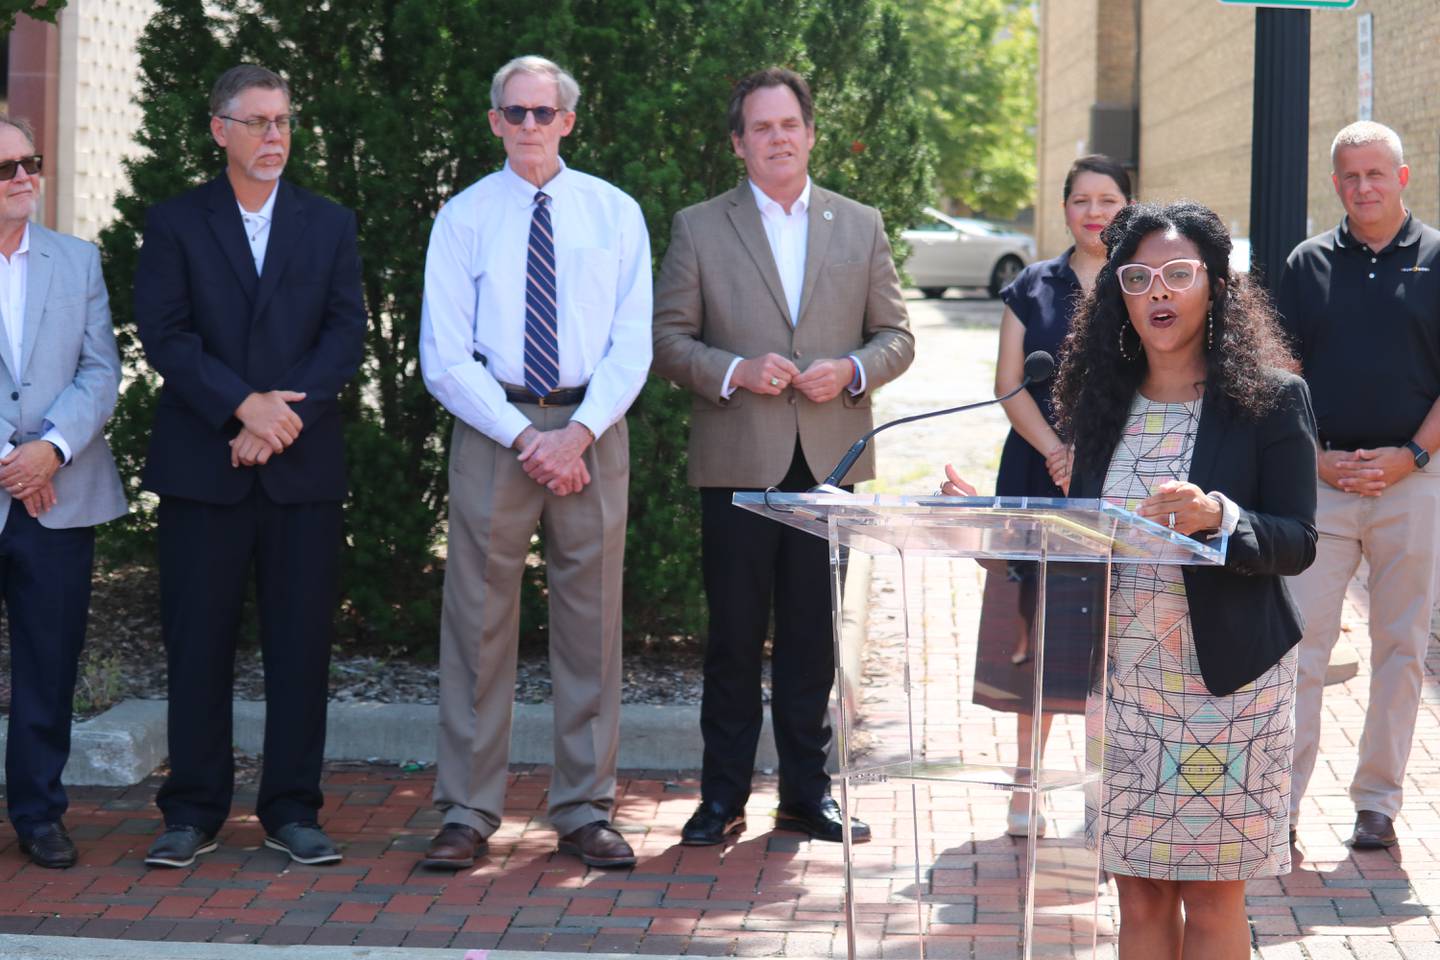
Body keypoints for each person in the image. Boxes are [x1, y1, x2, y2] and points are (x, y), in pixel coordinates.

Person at [652, 67, 914, 846]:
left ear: (810, 133)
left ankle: (807, 795)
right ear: (739, 144)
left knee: (813, 640)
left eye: (788, 125)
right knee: (733, 639)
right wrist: (733, 371)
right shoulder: (700, 227)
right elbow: (667, 341)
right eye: (761, 128)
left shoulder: (859, 224)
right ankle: (722, 799)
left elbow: (897, 336)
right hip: (737, 458)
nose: (777, 139)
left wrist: (853, 369)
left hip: (829, 462)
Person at [1049, 201, 1316, 958]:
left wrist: (1220, 518)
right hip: (1128, 683)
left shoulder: (1270, 400)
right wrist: (986, 523)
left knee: (1210, 897)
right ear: (1120, 297)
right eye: (1138, 278)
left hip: (1229, 688)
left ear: (1216, 287)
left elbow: (1299, 540)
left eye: (1178, 274)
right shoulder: (1100, 407)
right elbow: (1080, 538)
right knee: (1137, 898)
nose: (1157, 292)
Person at [418, 55, 652, 870]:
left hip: (593, 425)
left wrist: (577, 435)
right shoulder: (464, 217)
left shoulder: (616, 213)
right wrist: (526, 438)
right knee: (477, 622)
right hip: (495, 429)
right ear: (493, 122)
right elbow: (444, 355)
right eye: (512, 113)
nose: (527, 126)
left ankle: (585, 807)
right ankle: (467, 809)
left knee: (591, 624)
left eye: (541, 113)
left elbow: (633, 343)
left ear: (568, 122)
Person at [134, 65, 366, 868]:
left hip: (301, 470)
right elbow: (166, 335)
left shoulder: (329, 223)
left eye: (284, 122)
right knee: (197, 644)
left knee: (301, 646)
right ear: (218, 130)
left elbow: (344, 336)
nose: (275, 137)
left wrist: (278, 419)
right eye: (259, 122)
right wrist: (244, 407)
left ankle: (292, 809)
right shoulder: (175, 223)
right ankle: (192, 810)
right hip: (205, 466)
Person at [1277, 121, 1440, 850]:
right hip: (1326, 484)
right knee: (1300, 645)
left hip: (1414, 482)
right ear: (1335, 183)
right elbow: (1279, 378)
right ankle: (1277, 804)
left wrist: (1411, 455)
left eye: (1377, 174)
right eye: (1350, 176)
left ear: (1402, 178)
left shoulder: (1438, 260)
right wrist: (1315, 460)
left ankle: (1378, 801)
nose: (1364, 187)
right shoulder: (1306, 264)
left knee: (1400, 645)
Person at [964, 155, 1131, 838]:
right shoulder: (1032, 285)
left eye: (1109, 200)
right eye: (1081, 201)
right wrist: (1056, 450)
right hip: (1038, 472)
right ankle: (1026, 788)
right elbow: (1011, 385)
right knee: (1038, 632)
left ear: (1129, 206)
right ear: (1064, 209)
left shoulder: (1142, 283)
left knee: (1107, 640)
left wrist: (1091, 454)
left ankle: (1100, 793)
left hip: (1119, 477)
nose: (1094, 213)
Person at [0, 118, 127, 869]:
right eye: (6, 168)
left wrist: (48, 450)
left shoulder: (76, 261)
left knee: (50, 662)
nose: (23, 177)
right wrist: (8, 460)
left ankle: (39, 814)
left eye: (30, 162)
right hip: (22, 480)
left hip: (61, 493)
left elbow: (101, 370)